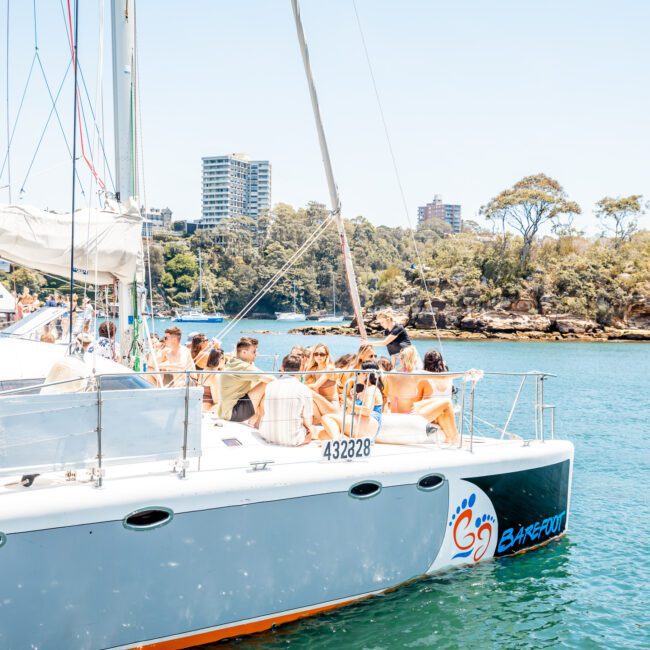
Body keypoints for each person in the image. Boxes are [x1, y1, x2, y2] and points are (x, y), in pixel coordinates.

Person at [259, 353, 314, 446]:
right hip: (292, 440)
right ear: (300, 369)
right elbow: (308, 422)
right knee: (312, 431)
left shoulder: (270, 385)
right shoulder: (304, 389)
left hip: (266, 434)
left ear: (282, 367)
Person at [321, 361, 384, 440]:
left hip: (370, 424)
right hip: (363, 424)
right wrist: (352, 400)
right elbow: (350, 412)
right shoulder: (364, 391)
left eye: (358, 373)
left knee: (327, 418)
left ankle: (336, 442)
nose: (356, 375)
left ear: (366, 374)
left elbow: (367, 411)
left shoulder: (371, 389)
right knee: (322, 434)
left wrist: (348, 402)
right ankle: (342, 440)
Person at [218, 337, 273, 425]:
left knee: (259, 381)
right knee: (265, 383)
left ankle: (254, 420)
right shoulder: (242, 367)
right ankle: (259, 422)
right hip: (234, 413)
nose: (256, 354)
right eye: (254, 352)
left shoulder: (233, 362)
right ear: (244, 352)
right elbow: (270, 379)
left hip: (225, 412)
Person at [413, 349, 459, 444]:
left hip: (431, 418)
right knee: (443, 408)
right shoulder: (449, 379)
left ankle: (453, 438)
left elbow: (416, 403)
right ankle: (453, 438)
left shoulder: (424, 380)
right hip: (443, 417)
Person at [385, 346, 428, 414]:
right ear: (414, 360)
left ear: (401, 359)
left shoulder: (392, 373)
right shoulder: (417, 376)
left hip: (394, 414)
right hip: (409, 414)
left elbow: (385, 395)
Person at [304, 343, 339, 423]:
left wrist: (300, 386)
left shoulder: (329, 368)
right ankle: (318, 420)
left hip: (332, 407)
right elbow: (302, 380)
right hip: (320, 407)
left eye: (322, 354)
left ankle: (319, 421)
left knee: (310, 393)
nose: (318, 356)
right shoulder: (313, 369)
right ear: (313, 355)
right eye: (316, 354)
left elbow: (315, 387)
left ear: (327, 355)